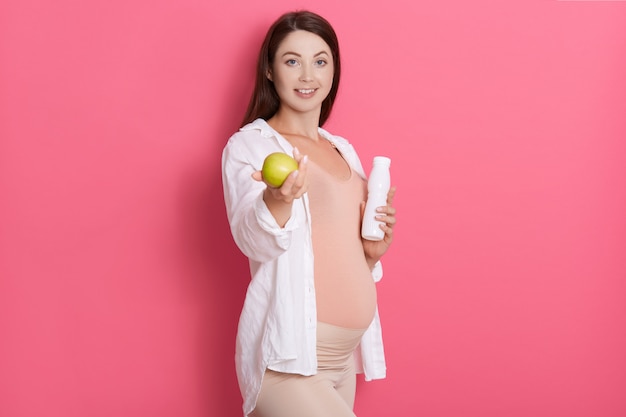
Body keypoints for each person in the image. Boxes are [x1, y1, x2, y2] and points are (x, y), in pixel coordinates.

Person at [221, 10, 397, 417]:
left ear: (334, 70)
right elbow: (251, 237)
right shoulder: (252, 146)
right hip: (292, 359)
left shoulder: (343, 150)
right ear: (269, 69)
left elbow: (334, 247)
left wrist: (372, 253)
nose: (307, 75)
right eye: (291, 61)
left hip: (343, 360)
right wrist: (278, 199)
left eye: (320, 61)